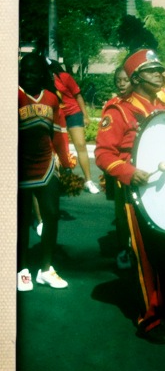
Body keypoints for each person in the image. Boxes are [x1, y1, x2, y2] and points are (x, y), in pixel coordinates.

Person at [95, 49, 165, 344]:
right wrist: (128, 172)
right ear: (136, 78)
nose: (160, 75)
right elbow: (103, 153)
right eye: (152, 71)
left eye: (161, 70)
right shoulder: (119, 111)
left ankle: (164, 304)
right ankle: (149, 319)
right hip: (136, 194)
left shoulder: (164, 109)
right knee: (147, 258)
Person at [18, 52, 74, 291]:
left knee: (51, 215)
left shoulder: (51, 98)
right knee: (21, 220)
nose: (29, 75)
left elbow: (58, 134)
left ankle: (45, 268)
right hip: (19, 168)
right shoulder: (13, 95)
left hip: (46, 164)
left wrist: (66, 163)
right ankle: (22, 270)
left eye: (34, 71)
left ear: (42, 74)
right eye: (25, 70)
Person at [46, 59, 100, 194]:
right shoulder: (42, 81)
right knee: (55, 148)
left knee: (81, 145)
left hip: (73, 113)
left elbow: (78, 96)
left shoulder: (64, 77)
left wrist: (85, 115)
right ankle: (60, 179)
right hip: (55, 115)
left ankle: (88, 181)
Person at [101, 65, 132, 270]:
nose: (121, 84)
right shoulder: (113, 106)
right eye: (118, 80)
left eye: (125, 80)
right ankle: (123, 249)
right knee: (122, 213)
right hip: (122, 168)